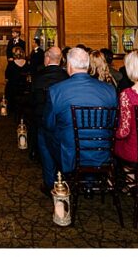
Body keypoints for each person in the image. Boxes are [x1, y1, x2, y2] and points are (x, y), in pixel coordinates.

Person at [40, 48, 118, 190]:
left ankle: (52, 184)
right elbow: (113, 123)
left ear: (69, 66)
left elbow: (49, 124)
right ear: (88, 66)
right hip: (103, 153)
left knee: (43, 134)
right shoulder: (109, 90)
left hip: (71, 155)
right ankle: (90, 180)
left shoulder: (56, 90)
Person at [31, 47, 68, 162]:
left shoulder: (38, 75)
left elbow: (33, 99)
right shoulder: (66, 76)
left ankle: (35, 151)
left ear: (47, 59)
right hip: (62, 116)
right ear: (61, 59)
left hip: (41, 115)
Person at [5, 46, 32, 124]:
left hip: (13, 88)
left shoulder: (11, 64)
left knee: (8, 86)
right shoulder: (27, 64)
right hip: (25, 87)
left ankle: (11, 108)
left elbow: (7, 77)